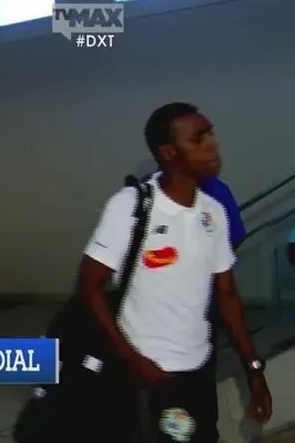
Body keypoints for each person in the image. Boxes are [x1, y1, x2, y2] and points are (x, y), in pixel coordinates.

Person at [80, 103, 272, 441]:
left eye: (211, 134)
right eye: (199, 139)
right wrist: (131, 359)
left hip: (199, 369)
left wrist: (254, 369)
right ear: (169, 153)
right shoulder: (131, 206)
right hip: (149, 374)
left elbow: (227, 295)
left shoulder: (214, 211)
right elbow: (90, 285)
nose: (213, 144)